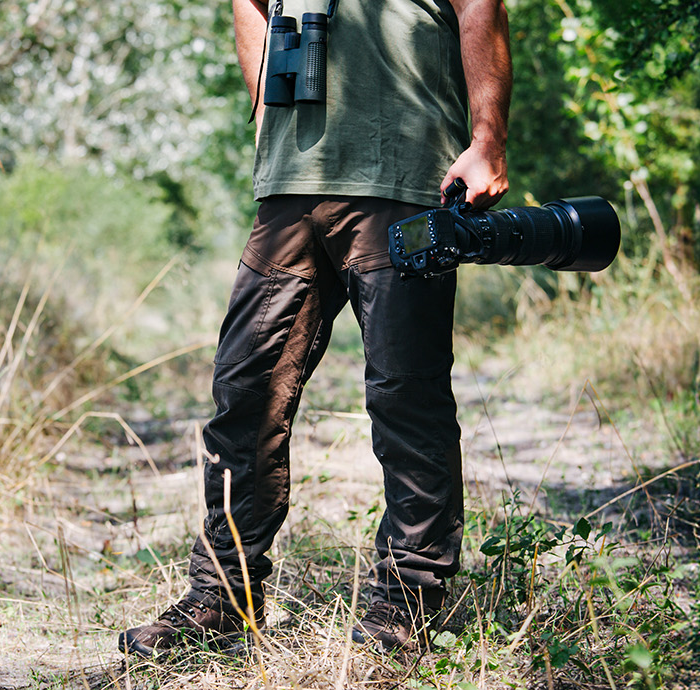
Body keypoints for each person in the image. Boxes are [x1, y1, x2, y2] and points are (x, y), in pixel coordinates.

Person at [118, 0, 510, 657]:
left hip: (403, 172)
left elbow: (479, 5)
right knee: (244, 393)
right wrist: (265, 117)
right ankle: (221, 596)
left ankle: (409, 603)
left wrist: (487, 139)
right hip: (290, 187)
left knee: (405, 398)